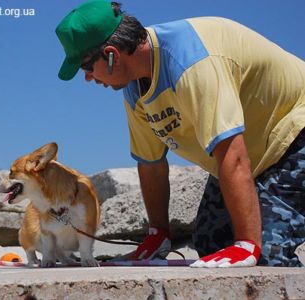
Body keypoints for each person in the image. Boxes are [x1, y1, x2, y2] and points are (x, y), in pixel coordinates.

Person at [55, 0, 305, 267]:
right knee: (212, 244)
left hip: (294, 131)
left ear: (112, 54)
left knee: (263, 253)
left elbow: (232, 152)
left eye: (87, 68)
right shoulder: (134, 88)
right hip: (252, 150)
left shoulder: (191, 62)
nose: (88, 78)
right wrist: (157, 236)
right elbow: (151, 165)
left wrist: (247, 244)